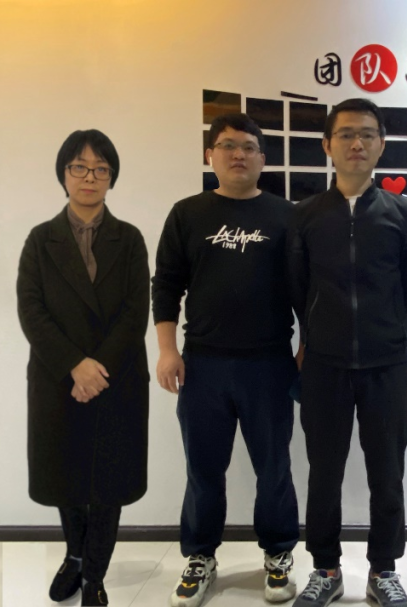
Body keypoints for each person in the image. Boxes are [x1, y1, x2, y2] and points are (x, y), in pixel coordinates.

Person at [153, 113, 301, 606]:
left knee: (274, 468)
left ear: (263, 158)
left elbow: (307, 292)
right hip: (203, 365)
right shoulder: (187, 213)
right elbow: (166, 285)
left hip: (270, 364)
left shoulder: (286, 216)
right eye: (228, 145)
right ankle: (200, 557)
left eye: (249, 147)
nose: (239, 154)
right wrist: (168, 350)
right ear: (209, 155)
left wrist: (305, 349)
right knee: (203, 469)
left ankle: (279, 554)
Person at [287, 98, 407, 607]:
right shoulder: (305, 216)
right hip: (323, 364)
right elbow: (296, 286)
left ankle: (383, 570)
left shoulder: (403, 214)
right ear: (327, 145)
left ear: (381, 144)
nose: (357, 143)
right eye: (345, 134)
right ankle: (325, 568)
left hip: (387, 364)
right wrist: (314, 334)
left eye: (367, 134)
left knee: (387, 472)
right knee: (324, 471)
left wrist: (386, 327)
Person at [17, 129, 150, 607]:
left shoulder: (129, 239)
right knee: (66, 475)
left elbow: (135, 313)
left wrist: (96, 370)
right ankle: (75, 555)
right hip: (59, 378)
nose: (89, 177)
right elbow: (31, 311)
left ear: (111, 177)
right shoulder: (40, 239)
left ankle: (94, 575)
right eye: (79, 167)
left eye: (100, 169)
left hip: (116, 378)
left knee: (108, 481)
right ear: (64, 174)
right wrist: (75, 365)